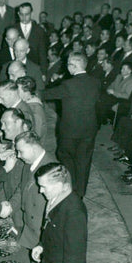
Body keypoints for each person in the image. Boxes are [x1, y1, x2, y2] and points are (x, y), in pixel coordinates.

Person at [43, 53, 101, 197]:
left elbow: (47, 94)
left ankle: (70, 190)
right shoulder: (96, 82)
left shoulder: (68, 84)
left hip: (70, 131)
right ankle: (80, 194)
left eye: (68, 64)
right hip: (89, 129)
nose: (66, 67)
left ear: (73, 66)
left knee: (66, 158)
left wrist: (31, 91)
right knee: (84, 161)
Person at [7, 130, 57, 250]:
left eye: (20, 151)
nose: (18, 156)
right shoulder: (28, 164)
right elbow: (22, 188)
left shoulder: (53, 169)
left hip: (41, 232)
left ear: (33, 148)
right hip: (29, 227)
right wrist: (10, 206)